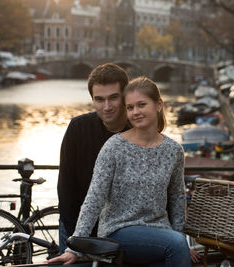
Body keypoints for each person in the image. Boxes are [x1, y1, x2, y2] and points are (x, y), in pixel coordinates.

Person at [49, 76, 193, 266]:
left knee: (173, 251)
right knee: (175, 246)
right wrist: (75, 245)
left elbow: (176, 197)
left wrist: (182, 239)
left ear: (158, 105)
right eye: (130, 107)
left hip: (161, 233)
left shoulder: (174, 150)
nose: (135, 112)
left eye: (141, 105)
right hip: (119, 231)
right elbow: (95, 197)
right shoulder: (114, 146)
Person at [57, 63, 130, 254]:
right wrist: (78, 239)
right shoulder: (78, 128)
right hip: (76, 224)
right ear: (92, 100)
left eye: (113, 98)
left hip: (120, 231)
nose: (106, 107)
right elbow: (66, 186)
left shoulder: (139, 129)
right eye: (99, 99)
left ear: (125, 96)